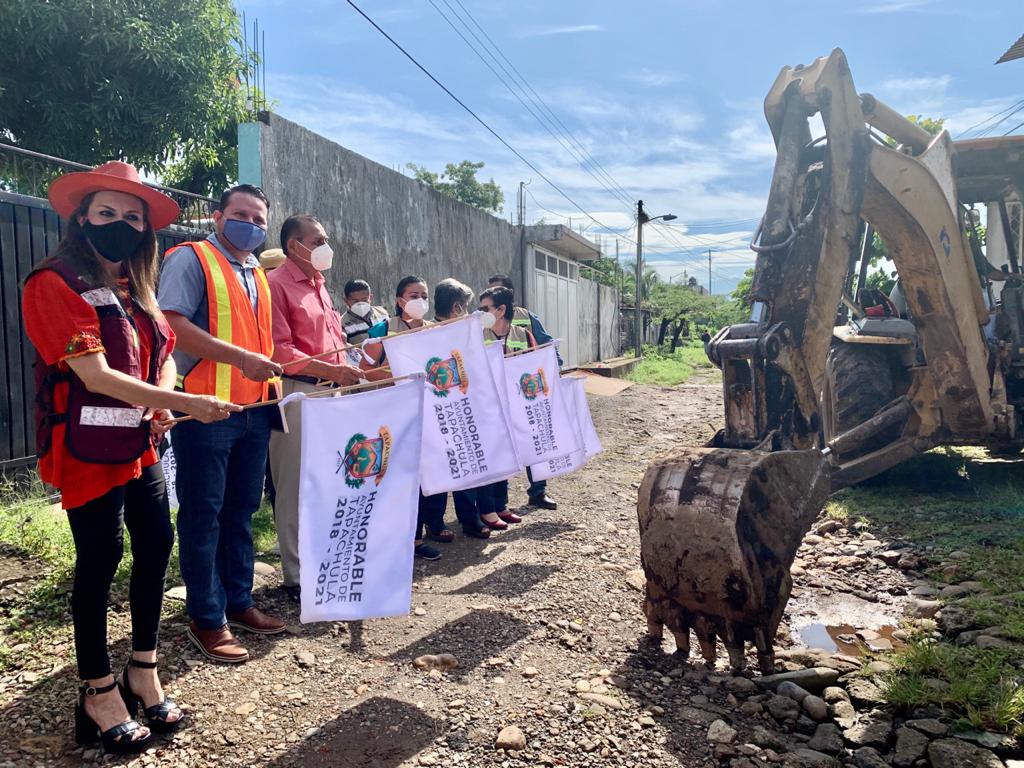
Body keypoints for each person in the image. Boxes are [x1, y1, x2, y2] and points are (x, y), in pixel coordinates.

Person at [23, 162, 239, 753]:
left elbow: (163, 351)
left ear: (147, 230)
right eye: (107, 213)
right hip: (89, 448)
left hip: (140, 446)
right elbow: (94, 374)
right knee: (99, 560)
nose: (120, 225)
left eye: (133, 217)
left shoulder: (135, 290)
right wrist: (182, 400)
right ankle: (96, 690)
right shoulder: (54, 283)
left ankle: (142, 669)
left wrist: (166, 400)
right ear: (82, 218)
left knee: (155, 547)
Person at [158, 184, 286, 663]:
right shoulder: (191, 258)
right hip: (206, 410)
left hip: (252, 409)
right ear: (216, 217)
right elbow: (171, 324)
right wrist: (241, 359)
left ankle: (239, 600)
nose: (250, 225)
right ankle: (207, 618)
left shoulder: (255, 270)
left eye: (258, 219)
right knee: (203, 513)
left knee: (241, 510)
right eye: (241, 215)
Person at [268, 214, 362, 602]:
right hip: (298, 393)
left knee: (328, 479)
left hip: (332, 394)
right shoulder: (276, 285)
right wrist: (333, 370)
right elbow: (279, 351)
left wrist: (355, 368)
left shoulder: (319, 286)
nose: (326, 246)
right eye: (318, 239)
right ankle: (295, 573)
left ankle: (321, 556)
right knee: (293, 485)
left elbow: (335, 342)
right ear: (295, 245)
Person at [363, 276, 444, 560]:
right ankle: (388, 538)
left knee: (421, 478)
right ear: (399, 300)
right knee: (391, 476)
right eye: (413, 295)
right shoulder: (382, 330)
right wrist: (396, 372)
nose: (419, 300)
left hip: (427, 415)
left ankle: (415, 540)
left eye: (424, 294)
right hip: (391, 414)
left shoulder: (436, 331)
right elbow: (365, 371)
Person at [418, 279, 492, 540]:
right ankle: (435, 524)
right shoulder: (425, 332)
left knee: (466, 461)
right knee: (438, 464)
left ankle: (469, 519)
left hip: (462, 407)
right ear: (458, 307)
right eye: (466, 306)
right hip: (436, 410)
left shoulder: (465, 333)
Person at [486, 275, 557, 511]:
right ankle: (499, 503)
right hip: (496, 396)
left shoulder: (527, 319)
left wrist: (552, 374)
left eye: (500, 290)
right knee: (500, 447)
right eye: (491, 290)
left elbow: (545, 348)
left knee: (533, 441)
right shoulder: (481, 327)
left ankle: (538, 491)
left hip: (523, 394)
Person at [475, 286, 538, 530]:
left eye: (485, 308)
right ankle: (487, 509)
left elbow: (533, 365)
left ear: (501, 310)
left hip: (514, 407)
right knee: (489, 459)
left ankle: (501, 505)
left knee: (506, 457)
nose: (481, 313)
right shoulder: (477, 334)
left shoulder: (523, 335)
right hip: (486, 407)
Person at [340, 279, 389, 345]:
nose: (360, 304)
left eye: (364, 300)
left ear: (370, 298)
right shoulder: (342, 323)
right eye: (355, 301)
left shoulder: (383, 313)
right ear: (346, 301)